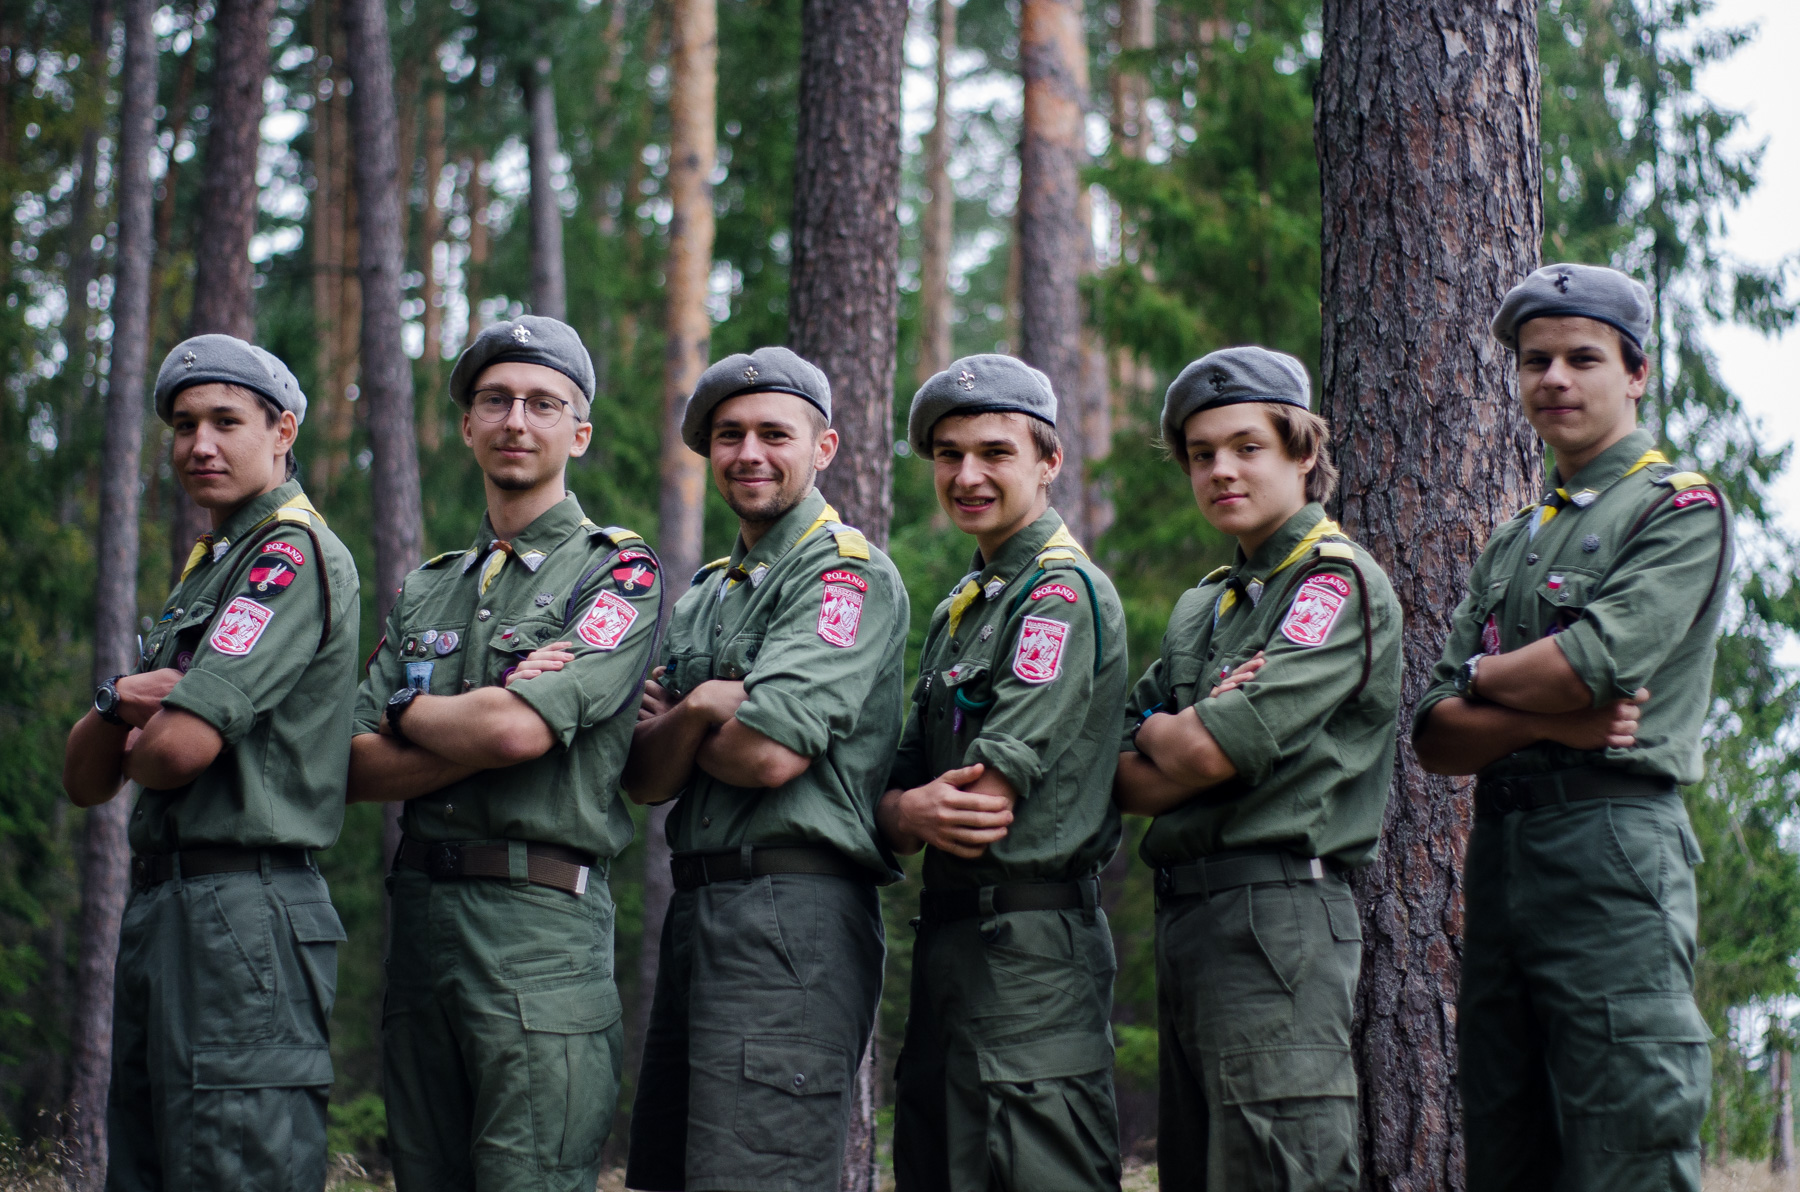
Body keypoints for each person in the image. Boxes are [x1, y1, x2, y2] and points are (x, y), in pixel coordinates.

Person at [1414, 264, 1730, 1192]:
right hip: (1503, 855)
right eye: (1535, 360)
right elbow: (1434, 733)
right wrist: (1536, 716)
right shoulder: (1515, 539)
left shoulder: (1677, 508)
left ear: (1635, 374)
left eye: (1582, 358)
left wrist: (1486, 684)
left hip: (1613, 847)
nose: (1553, 377)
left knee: (1628, 1137)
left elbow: (1591, 665)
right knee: (1507, 1144)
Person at [347, 316, 663, 1192]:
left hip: (540, 931)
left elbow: (518, 733)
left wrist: (413, 715)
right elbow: (353, 765)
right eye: (496, 401)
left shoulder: (616, 572)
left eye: (542, 403)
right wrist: (473, 713)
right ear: (467, 426)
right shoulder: (428, 588)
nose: (516, 420)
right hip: (422, 925)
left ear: (578, 433)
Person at [61, 334, 360, 1192]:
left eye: (226, 421)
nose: (200, 444)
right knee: (149, 1167)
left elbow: (172, 753)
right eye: (185, 425)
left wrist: (147, 726)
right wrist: (121, 698)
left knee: (235, 1167)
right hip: (171, 906)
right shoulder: (210, 568)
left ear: (283, 430)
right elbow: (86, 779)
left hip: (245, 910)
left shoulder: (287, 556)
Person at [1113, 346, 1403, 1191]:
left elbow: (1203, 751)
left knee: (1282, 1168)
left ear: (1303, 452)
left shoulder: (1331, 584)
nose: (1221, 471)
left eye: (1247, 447)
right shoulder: (1206, 606)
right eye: (1202, 454)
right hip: (1190, 919)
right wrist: (1179, 730)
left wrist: (1176, 737)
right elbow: (1120, 775)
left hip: (1276, 918)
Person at [624, 346, 908, 1192]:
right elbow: (643, 778)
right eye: (730, 435)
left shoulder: (842, 571)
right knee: (674, 1174)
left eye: (774, 434)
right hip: (700, 909)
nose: (749, 453)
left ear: (823, 448)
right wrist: (707, 707)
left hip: (791, 916)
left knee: (759, 1174)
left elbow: (769, 752)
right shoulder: (710, 592)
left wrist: (688, 714)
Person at [882, 354, 1129, 1192]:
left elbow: (976, 804)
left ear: (1049, 461)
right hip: (954, 944)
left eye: (995, 453)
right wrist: (904, 810)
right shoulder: (967, 607)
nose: (967, 476)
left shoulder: (1058, 596)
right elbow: (897, 794)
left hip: (1030, 952)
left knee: (1038, 1168)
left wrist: (908, 810)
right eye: (949, 455)